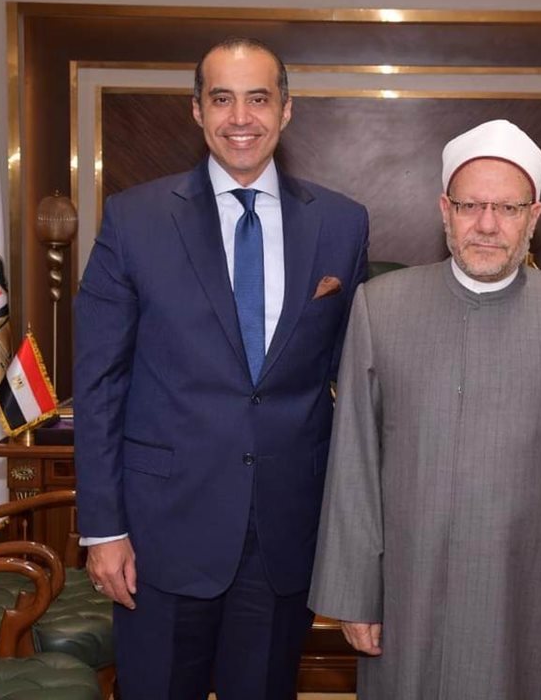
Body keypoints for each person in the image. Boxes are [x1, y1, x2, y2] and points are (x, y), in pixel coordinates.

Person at [309, 119, 541, 699]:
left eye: (507, 208)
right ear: (445, 211)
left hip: (531, 595)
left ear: (533, 218)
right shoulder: (380, 307)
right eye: (471, 206)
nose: (487, 225)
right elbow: (354, 465)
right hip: (409, 595)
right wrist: (354, 593)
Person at [74, 37, 369, 699]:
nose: (241, 117)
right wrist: (104, 529)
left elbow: (354, 384)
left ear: (286, 109)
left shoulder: (342, 224)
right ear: (197, 110)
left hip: (284, 534)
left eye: (258, 99)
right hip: (159, 535)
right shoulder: (134, 219)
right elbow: (98, 384)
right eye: (222, 99)